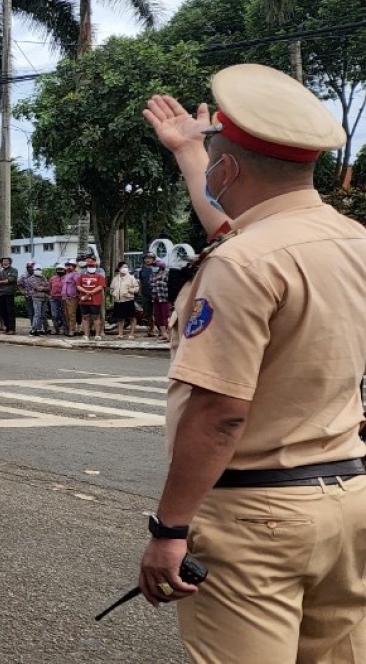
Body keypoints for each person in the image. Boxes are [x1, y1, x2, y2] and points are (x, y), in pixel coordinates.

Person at [138, 63, 366, 661]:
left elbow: (219, 415)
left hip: (255, 517)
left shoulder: (243, 264)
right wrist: (190, 150)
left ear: (232, 167)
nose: (210, 168)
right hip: (346, 502)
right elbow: (236, 231)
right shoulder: (351, 240)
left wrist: (169, 529)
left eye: (215, 157)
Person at [75, 258, 105, 339]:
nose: (91, 267)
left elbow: (100, 286)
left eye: (93, 266)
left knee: (96, 317)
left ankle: (97, 335)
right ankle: (86, 335)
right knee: (85, 317)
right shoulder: (81, 276)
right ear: (86, 267)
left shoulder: (99, 276)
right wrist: (85, 291)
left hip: (95, 301)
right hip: (84, 300)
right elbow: (78, 286)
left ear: (95, 267)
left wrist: (91, 292)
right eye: (89, 266)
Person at [109, 261, 140, 339]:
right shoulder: (115, 278)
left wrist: (130, 290)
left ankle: (131, 334)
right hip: (118, 301)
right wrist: (114, 294)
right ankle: (120, 334)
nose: (125, 269)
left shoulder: (131, 278)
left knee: (131, 317)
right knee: (120, 318)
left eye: (126, 267)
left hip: (129, 300)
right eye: (123, 267)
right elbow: (111, 289)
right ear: (119, 268)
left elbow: (136, 288)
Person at [18, 261, 51, 335]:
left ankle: (43, 328)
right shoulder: (24, 276)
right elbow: (19, 285)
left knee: (42, 314)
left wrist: (43, 288)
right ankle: (34, 328)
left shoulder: (42, 276)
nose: (30, 268)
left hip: (42, 297)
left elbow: (48, 287)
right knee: (33, 314)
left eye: (31, 267)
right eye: (28, 267)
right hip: (30, 297)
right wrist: (23, 292)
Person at [0, 257, 19, 335]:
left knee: (10, 311)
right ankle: (7, 327)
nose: (5, 262)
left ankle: (12, 329)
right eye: (3, 261)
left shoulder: (14, 270)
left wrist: (2, 281)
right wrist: (4, 281)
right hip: (1, 293)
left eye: (6, 261)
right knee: (2, 311)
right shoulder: (1, 271)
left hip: (9, 293)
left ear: (10, 262)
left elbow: (11, 279)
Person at [135, 252, 156, 337]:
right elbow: (141, 282)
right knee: (148, 313)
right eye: (146, 258)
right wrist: (140, 292)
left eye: (149, 258)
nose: (147, 260)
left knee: (158, 313)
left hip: (156, 294)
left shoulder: (157, 269)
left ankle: (162, 330)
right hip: (145, 294)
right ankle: (151, 329)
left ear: (153, 259)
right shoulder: (142, 270)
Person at [149, 258, 170, 341]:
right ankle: (164, 333)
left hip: (165, 297)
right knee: (158, 316)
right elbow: (150, 284)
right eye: (154, 266)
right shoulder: (153, 274)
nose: (154, 267)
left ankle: (170, 333)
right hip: (156, 298)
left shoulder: (167, 273)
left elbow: (169, 284)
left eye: (156, 266)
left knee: (167, 316)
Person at [60, 260, 80, 336]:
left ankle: (72, 331)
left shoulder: (75, 275)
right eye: (67, 265)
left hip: (72, 297)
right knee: (67, 314)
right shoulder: (66, 275)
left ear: (74, 266)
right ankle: (69, 330)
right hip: (65, 298)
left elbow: (78, 285)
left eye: (70, 265)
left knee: (72, 314)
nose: (68, 267)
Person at [49, 265, 66, 335]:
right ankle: (56, 330)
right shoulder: (52, 278)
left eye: (61, 269)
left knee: (64, 315)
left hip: (63, 299)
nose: (60, 271)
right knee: (54, 315)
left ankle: (65, 330)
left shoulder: (66, 278)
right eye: (58, 269)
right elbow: (49, 287)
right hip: (53, 299)